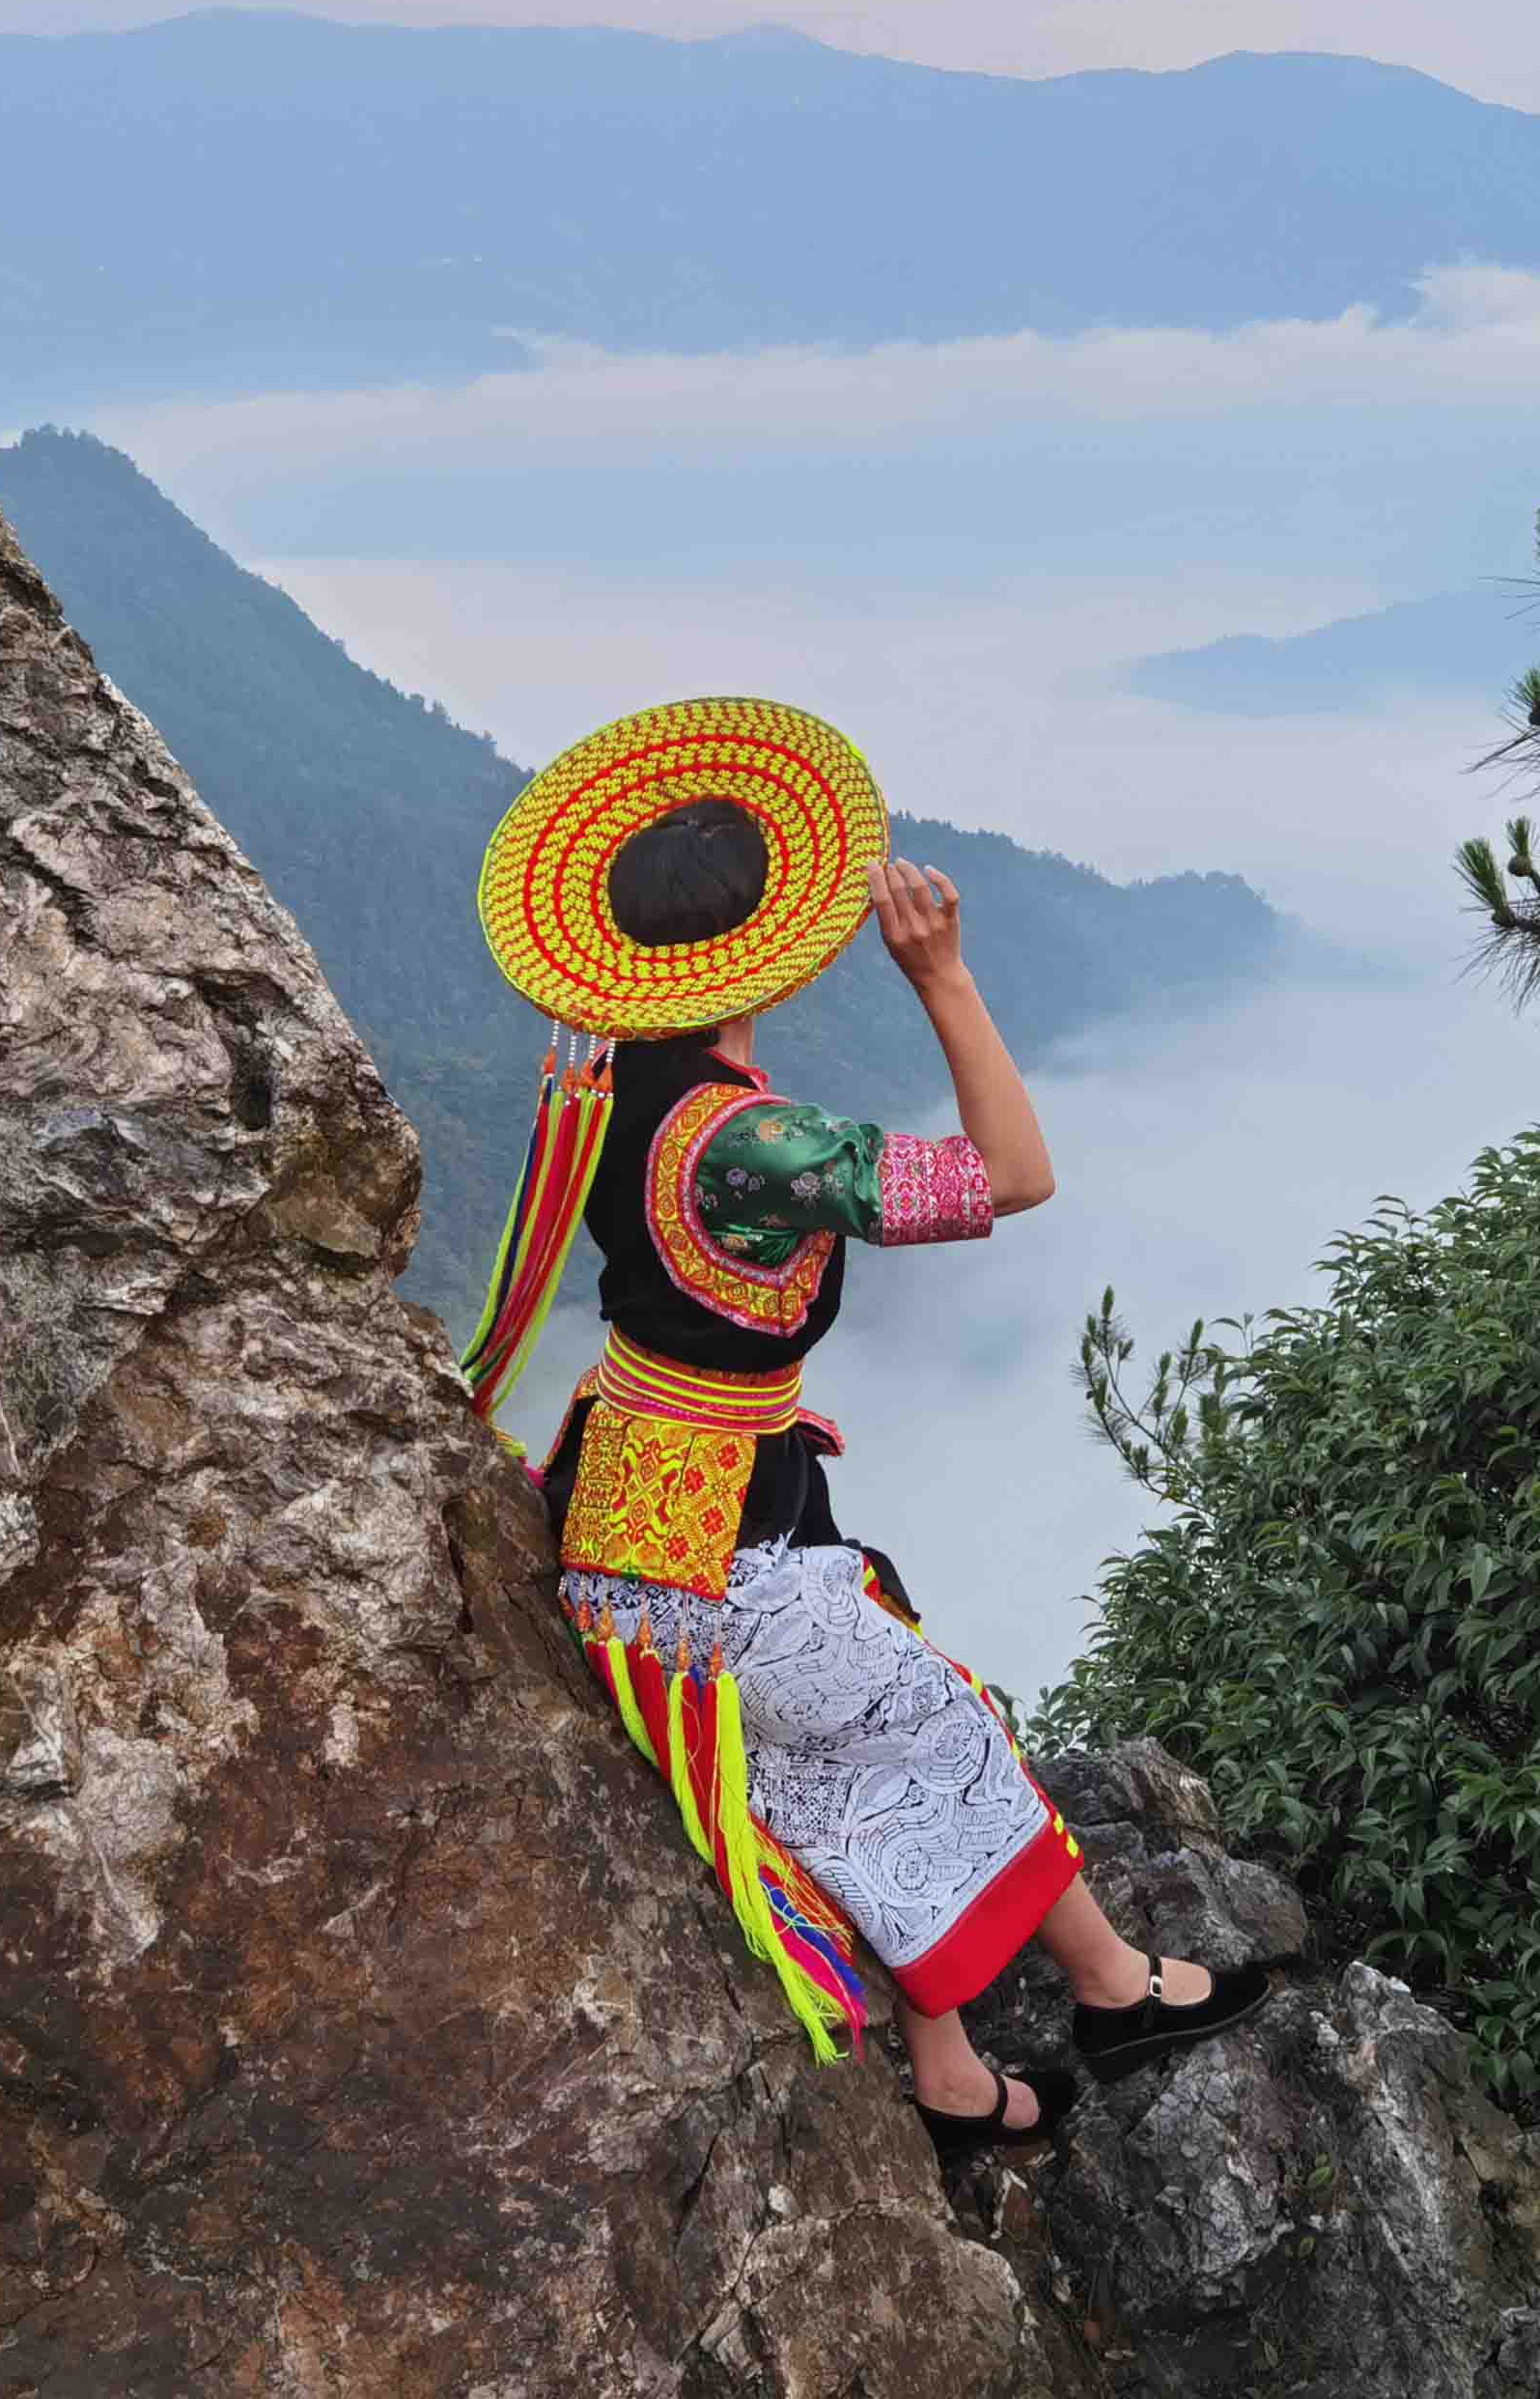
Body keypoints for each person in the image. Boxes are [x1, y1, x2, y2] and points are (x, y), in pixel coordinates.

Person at [462, 701, 1274, 2149]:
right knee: (936, 1718)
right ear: (767, 944)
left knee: (831, 1742)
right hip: (719, 1557)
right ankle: (1113, 1986)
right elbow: (1013, 1175)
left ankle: (956, 2072)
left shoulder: (591, 1084)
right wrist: (943, 976)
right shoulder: (755, 1143)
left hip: (623, 1518)